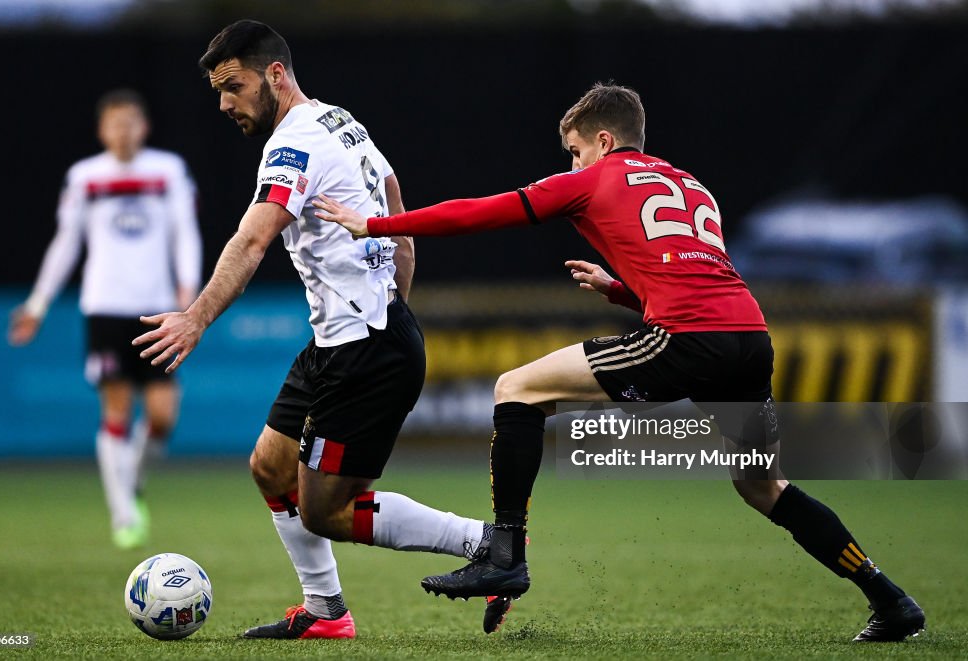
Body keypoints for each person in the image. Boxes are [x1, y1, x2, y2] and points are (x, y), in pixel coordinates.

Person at [313, 82, 927, 642]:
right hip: (748, 334)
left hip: (686, 337)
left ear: (604, 141)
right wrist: (620, 291)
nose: (572, 165)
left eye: (575, 151)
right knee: (764, 487)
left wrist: (376, 223)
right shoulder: (691, 185)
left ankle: (505, 553)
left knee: (517, 389)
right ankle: (889, 597)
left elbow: (482, 211)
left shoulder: (595, 179)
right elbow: (700, 282)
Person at [132, 19, 497, 641]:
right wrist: (392, 305)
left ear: (275, 74)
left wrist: (196, 317)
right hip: (347, 339)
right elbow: (396, 206)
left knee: (327, 510)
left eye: (235, 86)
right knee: (271, 469)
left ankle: (488, 546)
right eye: (218, 91)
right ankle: (326, 612)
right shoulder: (340, 120)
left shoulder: (293, 143)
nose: (225, 103)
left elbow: (252, 239)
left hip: (363, 347)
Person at [9, 89, 202, 550]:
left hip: (157, 310)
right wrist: (37, 304)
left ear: (144, 127)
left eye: (131, 122)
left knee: (161, 417)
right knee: (116, 408)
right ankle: (123, 514)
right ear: (102, 130)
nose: (123, 131)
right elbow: (66, 243)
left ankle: (131, 481)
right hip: (104, 307)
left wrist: (188, 291)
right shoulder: (85, 177)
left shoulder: (168, 170)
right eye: (115, 123)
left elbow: (185, 234)